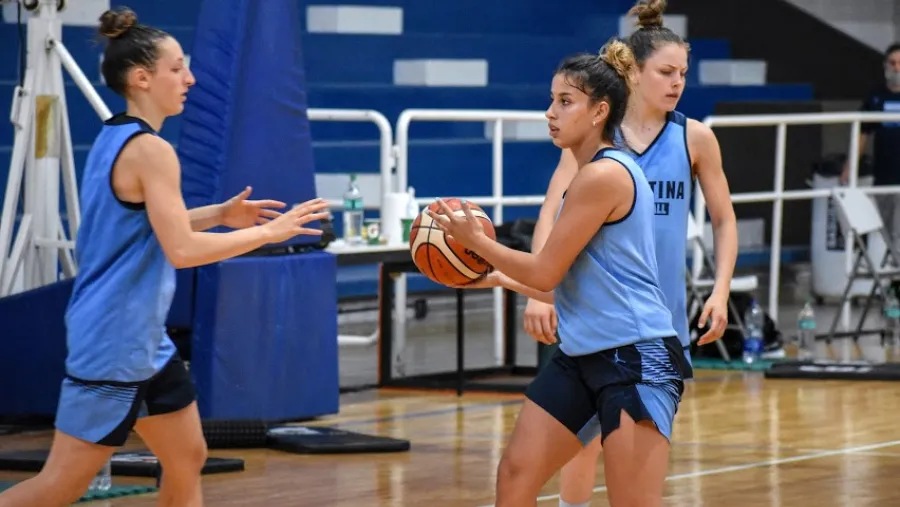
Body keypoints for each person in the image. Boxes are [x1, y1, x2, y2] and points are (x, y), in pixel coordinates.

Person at [0, 8, 329, 507]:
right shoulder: (151, 151)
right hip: (112, 340)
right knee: (61, 486)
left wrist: (219, 213)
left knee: (187, 458)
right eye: (178, 68)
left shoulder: (116, 136)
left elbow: (143, 226)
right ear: (141, 78)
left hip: (143, 340)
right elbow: (181, 249)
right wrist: (270, 235)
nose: (190, 78)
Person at [428, 39, 690, 507]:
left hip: (635, 359)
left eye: (564, 102)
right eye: (551, 100)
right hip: (583, 352)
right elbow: (576, 274)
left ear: (598, 112)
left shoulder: (604, 175)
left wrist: (479, 245)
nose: (550, 112)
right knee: (515, 475)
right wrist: (501, 276)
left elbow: (547, 272)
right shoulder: (583, 171)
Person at [520, 1, 739, 505]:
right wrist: (541, 294)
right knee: (580, 443)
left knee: (634, 456)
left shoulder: (694, 136)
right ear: (633, 74)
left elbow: (724, 220)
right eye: (665, 72)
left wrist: (720, 291)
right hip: (592, 312)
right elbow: (550, 212)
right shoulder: (597, 137)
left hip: (655, 325)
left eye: (683, 73)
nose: (677, 82)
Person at [842, 42, 900, 294]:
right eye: (893, 63)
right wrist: (849, 166)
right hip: (884, 177)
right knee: (889, 232)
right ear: (885, 66)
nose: (897, 68)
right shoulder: (876, 96)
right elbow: (862, 133)